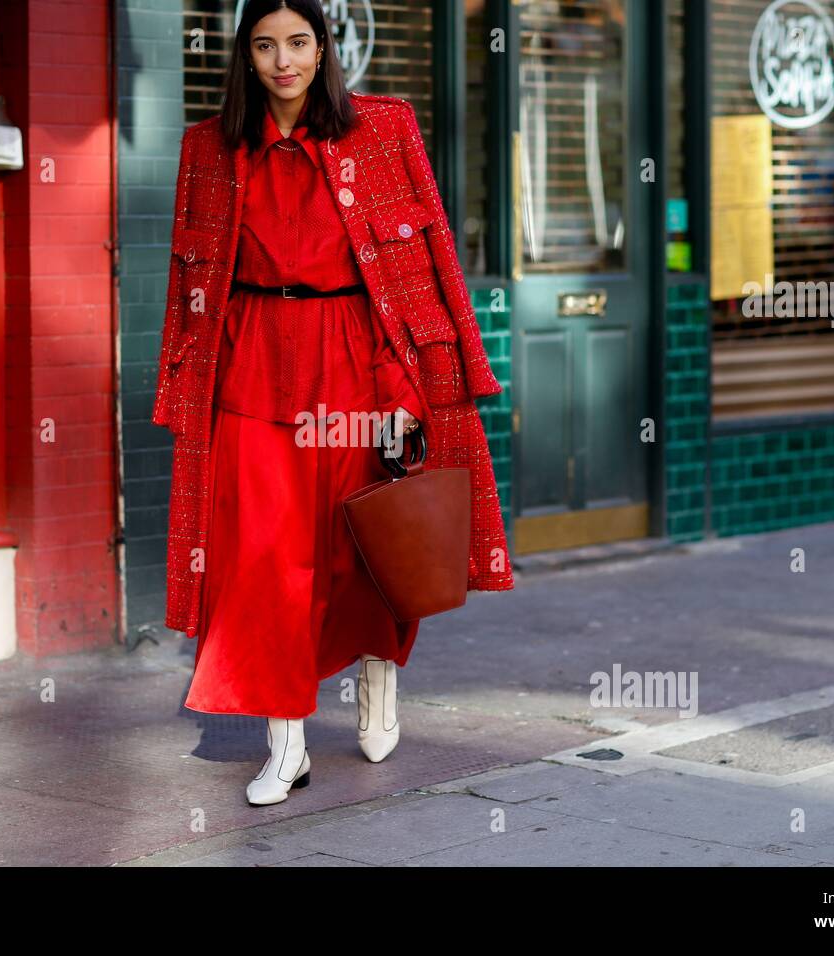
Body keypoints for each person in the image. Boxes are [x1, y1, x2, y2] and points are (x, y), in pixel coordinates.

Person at [157, 0, 512, 807]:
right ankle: (286, 746)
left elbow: (419, 262)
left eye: (298, 42)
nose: (284, 60)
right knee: (260, 567)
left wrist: (406, 386)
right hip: (250, 366)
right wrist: (187, 385)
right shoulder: (208, 148)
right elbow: (190, 284)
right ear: (244, 57)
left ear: (324, 47)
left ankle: (380, 677)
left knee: (365, 544)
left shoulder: (381, 129)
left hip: (354, 356)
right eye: (265, 45)